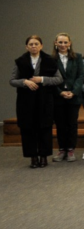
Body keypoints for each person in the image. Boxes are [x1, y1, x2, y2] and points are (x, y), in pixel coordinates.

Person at [11, 35, 63, 168]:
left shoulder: (50, 60)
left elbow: (59, 79)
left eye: (36, 44)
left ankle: (44, 156)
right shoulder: (20, 61)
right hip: (25, 102)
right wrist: (25, 82)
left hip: (45, 100)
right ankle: (33, 157)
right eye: (31, 44)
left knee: (45, 128)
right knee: (28, 129)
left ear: (41, 46)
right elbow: (12, 80)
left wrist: (42, 80)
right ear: (26, 47)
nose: (33, 46)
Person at [51, 33, 84, 163]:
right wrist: (60, 92)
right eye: (60, 42)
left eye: (65, 42)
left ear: (70, 43)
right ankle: (62, 149)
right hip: (58, 96)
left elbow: (80, 76)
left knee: (72, 124)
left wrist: (74, 91)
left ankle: (71, 149)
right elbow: (50, 78)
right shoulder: (51, 59)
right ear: (55, 43)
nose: (63, 45)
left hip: (73, 96)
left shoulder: (77, 57)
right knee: (60, 124)